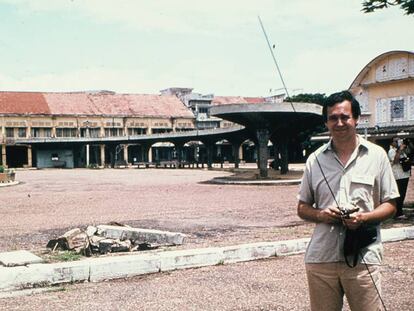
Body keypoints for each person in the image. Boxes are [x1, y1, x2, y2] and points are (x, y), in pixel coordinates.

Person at [297, 90, 399, 311]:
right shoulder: (314, 160)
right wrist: (321, 214)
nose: (340, 122)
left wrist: (364, 217)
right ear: (326, 122)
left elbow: (391, 204)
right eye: (333, 118)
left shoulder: (377, 155)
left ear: (356, 119)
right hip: (321, 259)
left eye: (345, 117)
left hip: (363, 257)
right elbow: (302, 207)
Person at [388, 137, 410, 219]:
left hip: (405, 175)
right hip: (398, 176)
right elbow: (395, 161)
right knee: (399, 195)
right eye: (396, 141)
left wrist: (406, 146)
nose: (398, 142)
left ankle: (399, 212)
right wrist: (399, 150)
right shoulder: (391, 151)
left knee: (403, 194)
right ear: (392, 143)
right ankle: (398, 213)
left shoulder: (403, 151)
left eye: (399, 141)